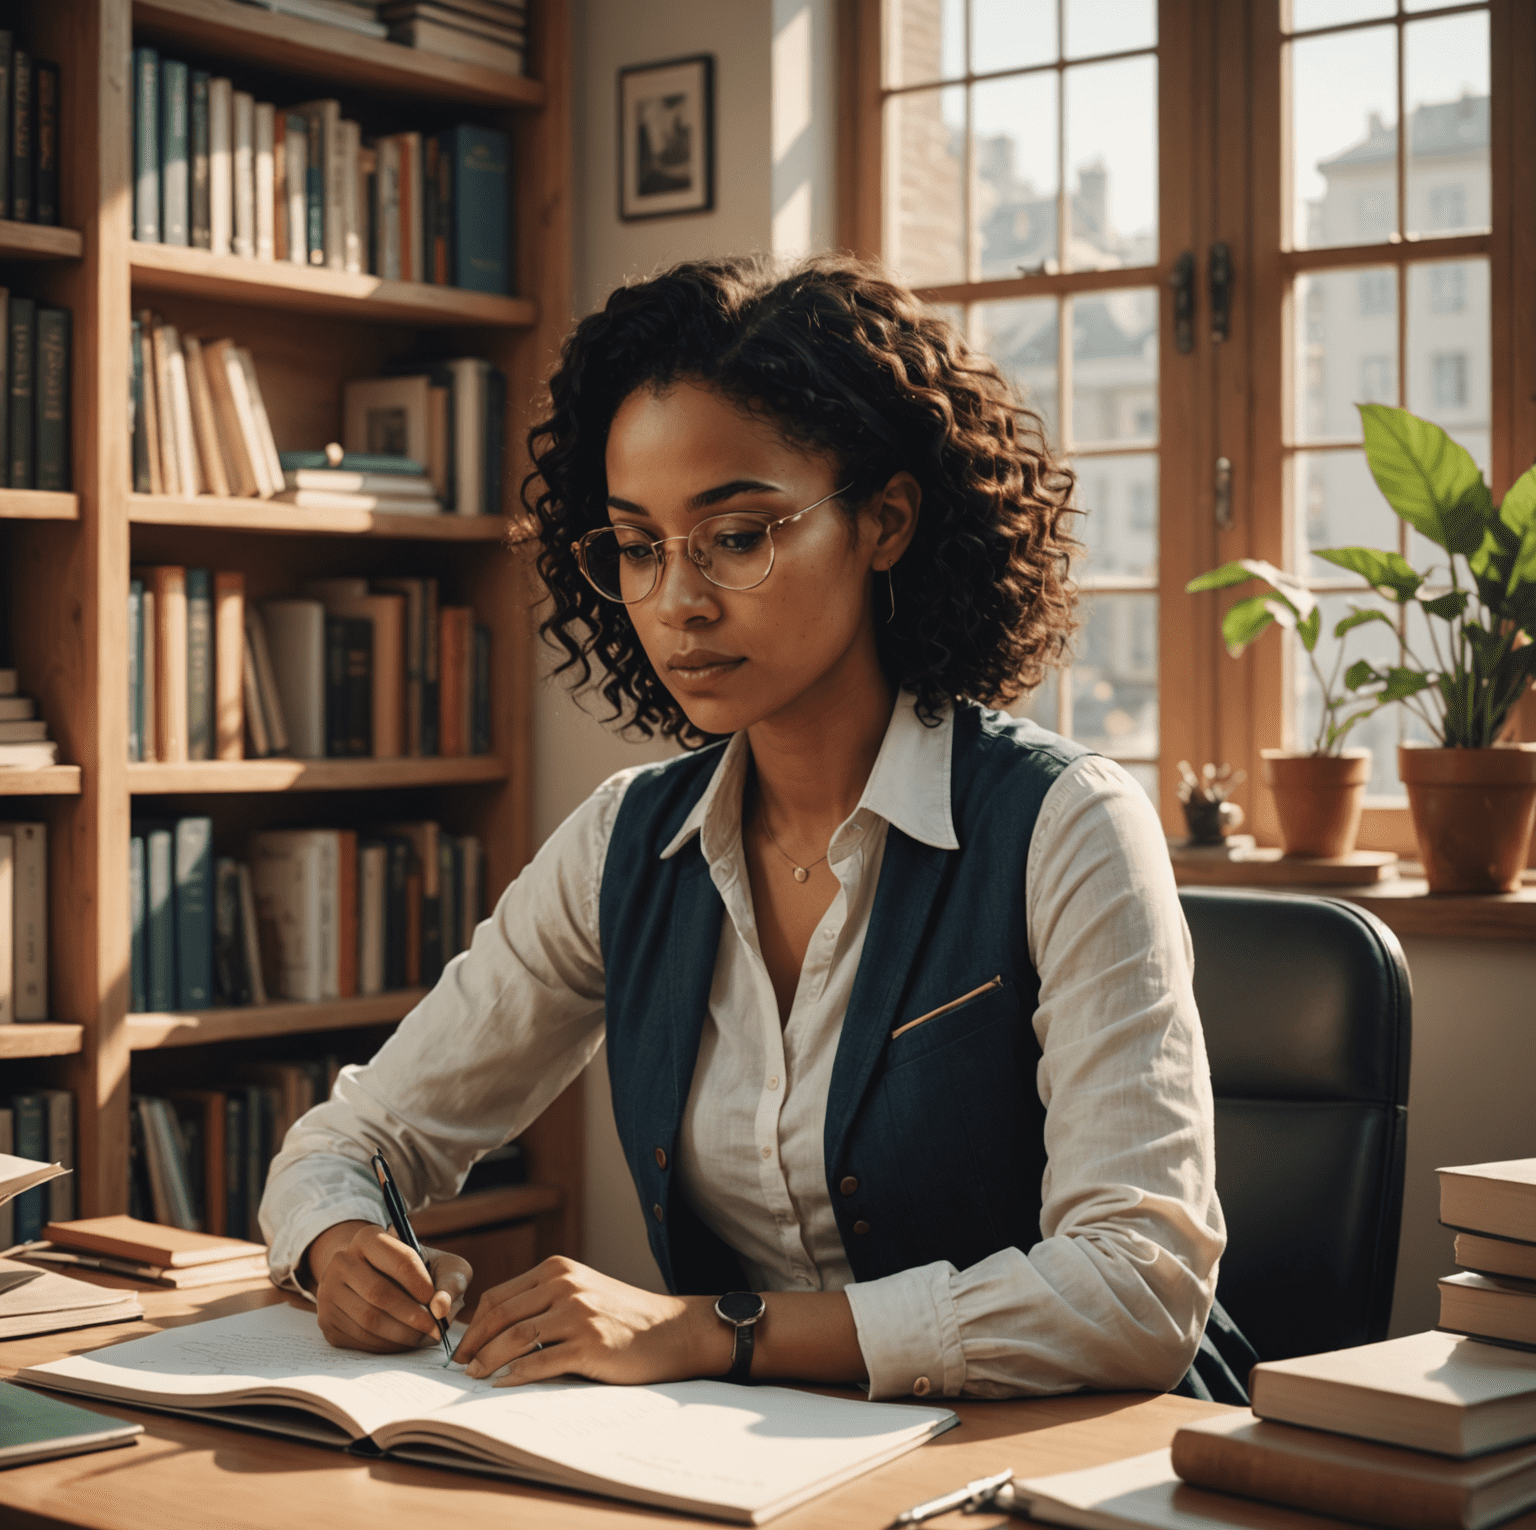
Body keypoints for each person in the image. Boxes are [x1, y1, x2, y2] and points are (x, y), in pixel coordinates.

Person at [260, 254, 1237, 1403]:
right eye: (637, 545)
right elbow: (350, 1143)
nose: (679, 600)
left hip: (1069, 1470)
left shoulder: (1066, 825)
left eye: (735, 535)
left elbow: (1138, 1290)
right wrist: (339, 1247)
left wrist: (710, 1331)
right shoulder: (626, 841)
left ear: (884, 520)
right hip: (749, 1481)